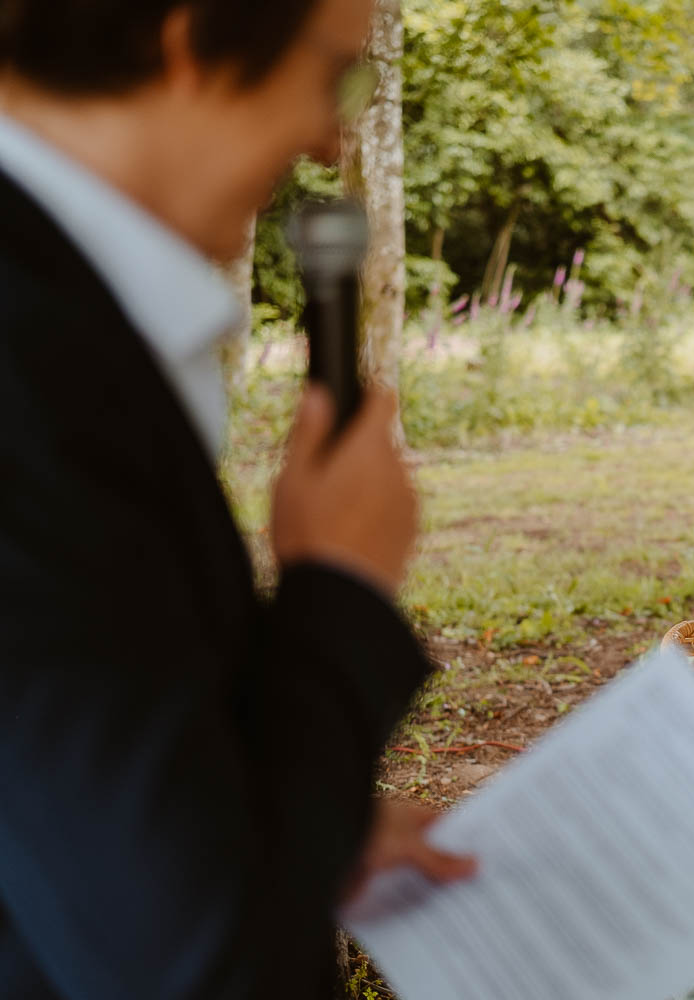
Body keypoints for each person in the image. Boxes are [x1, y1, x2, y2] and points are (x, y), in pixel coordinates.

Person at [0, 1, 471, 996]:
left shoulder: (60, 317)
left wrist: (306, 819)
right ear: (188, 41)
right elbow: (189, 960)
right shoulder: (31, 372)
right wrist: (339, 585)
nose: (327, 135)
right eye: (327, 75)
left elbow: (76, 818)